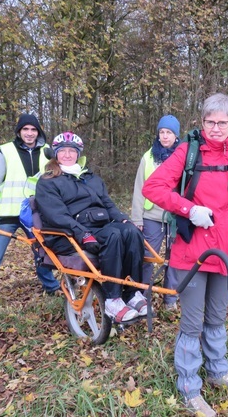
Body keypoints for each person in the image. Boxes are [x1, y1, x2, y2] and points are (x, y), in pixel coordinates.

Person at [143, 93, 228, 417]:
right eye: (210, 122)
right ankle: (189, 388)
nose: (216, 128)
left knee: (217, 319)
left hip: (227, 252)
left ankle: (218, 372)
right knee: (192, 324)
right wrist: (189, 209)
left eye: (222, 122)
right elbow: (153, 188)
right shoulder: (186, 152)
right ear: (201, 122)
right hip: (193, 254)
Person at [35, 132, 147, 324]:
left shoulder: (90, 177)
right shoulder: (48, 181)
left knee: (131, 232)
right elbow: (56, 215)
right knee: (113, 235)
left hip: (98, 227)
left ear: (79, 154)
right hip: (68, 234)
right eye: (63, 151)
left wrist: (123, 219)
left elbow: (108, 203)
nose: (68, 155)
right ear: (55, 154)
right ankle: (112, 299)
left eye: (72, 151)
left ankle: (132, 292)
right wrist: (82, 232)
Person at [0, 114, 60, 312]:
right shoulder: (5, 151)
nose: (29, 133)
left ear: (39, 132)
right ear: (19, 131)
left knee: (42, 254)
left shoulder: (47, 152)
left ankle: (52, 287)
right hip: (7, 216)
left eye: (33, 129)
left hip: (35, 214)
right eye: (25, 129)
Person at [131, 114, 181, 310]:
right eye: (162, 132)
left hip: (176, 216)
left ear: (176, 136)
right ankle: (142, 297)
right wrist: (136, 217)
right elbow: (139, 187)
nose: (165, 136)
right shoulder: (148, 156)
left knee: (175, 257)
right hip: (151, 215)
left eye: (169, 132)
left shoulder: (185, 156)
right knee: (148, 258)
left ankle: (170, 299)